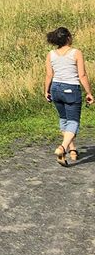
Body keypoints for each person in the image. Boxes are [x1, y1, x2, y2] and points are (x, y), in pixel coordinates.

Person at [45, 27, 94, 166]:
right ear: (68, 38)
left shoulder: (51, 54)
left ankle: (72, 150)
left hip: (55, 88)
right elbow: (82, 75)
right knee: (73, 122)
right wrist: (89, 93)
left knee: (64, 119)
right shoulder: (76, 53)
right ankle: (62, 148)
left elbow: (49, 75)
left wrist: (46, 91)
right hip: (71, 89)